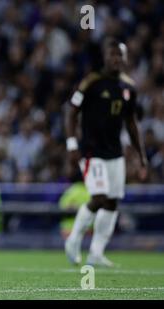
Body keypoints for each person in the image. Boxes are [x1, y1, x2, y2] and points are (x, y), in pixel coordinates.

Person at [64, 38, 147, 267]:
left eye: (120, 55)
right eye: (112, 54)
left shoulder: (128, 87)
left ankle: (96, 253)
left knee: (112, 203)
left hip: (115, 153)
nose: (116, 59)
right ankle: (74, 239)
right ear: (105, 57)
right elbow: (71, 113)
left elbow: (131, 123)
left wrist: (141, 155)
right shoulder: (91, 82)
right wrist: (72, 145)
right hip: (91, 151)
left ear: (126, 58)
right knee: (99, 197)